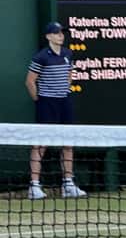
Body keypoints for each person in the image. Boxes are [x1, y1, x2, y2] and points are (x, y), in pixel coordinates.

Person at [25, 21, 87, 200]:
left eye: (62, 33)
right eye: (57, 33)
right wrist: (40, 100)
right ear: (48, 36)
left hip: (64, 102)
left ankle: (68, 184)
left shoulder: (68, 54)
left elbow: (69, 76)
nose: (61, 35)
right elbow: (29, 82)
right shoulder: (41, 57)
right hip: (47, 103)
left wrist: (63, 91)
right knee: (41, 143)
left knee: (68, 142)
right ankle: (34, 186)